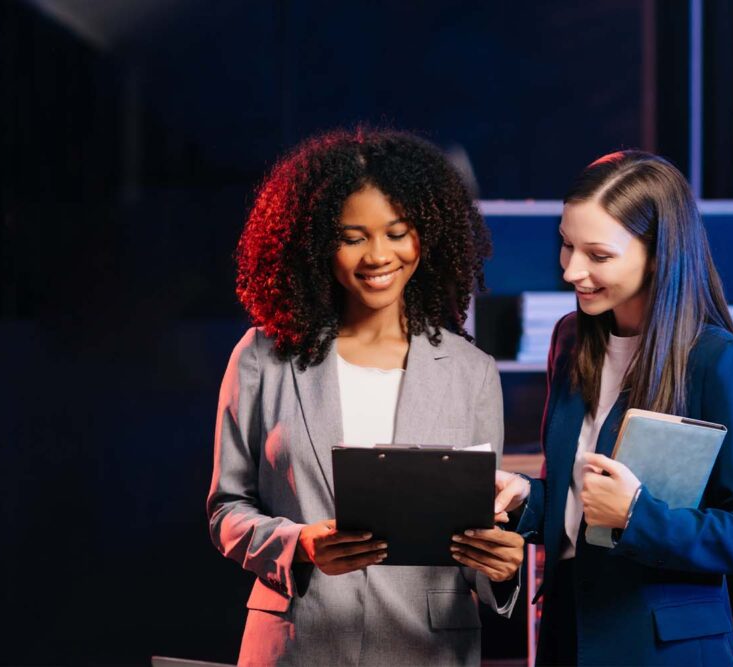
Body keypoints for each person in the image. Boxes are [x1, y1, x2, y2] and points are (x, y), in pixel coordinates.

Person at [208, 128, 525, 666]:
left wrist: (501, 567)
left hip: (427, 648)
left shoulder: (472, 372)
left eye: (398, 232)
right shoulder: (262, 356)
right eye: (353, 236)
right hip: (298, 644)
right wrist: (299, 544)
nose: (379, 255)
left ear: (429, 234)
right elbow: (226, 511)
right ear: (315, 243)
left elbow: (473, 525)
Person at [494, 151, 733, 665]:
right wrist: (528, 500)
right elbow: (578, 505)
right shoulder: (570, 340)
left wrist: (636, 515)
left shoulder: (720, 364)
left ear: (658, 254)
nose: (572, 271)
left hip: (663, 651)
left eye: (598, 255)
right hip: (568, 640)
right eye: (566, 245)